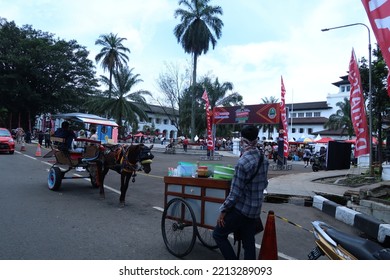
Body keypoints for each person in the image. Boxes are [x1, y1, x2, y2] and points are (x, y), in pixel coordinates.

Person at [213, 125, 269, 260]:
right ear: (256, 139)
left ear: (243, 141)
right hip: (255, 210)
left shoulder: (242, 163)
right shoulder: (264, 159)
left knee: (218, 235)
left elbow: (234, 194)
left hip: (241, 210)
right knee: (248, 241)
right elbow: (264, 184)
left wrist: (223, 211)